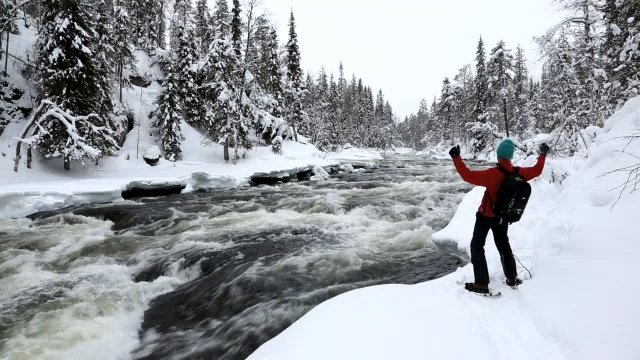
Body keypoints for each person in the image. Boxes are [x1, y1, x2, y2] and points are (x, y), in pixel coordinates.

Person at [449, 139, 550, 294]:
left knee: (477, 246)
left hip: (485, 216)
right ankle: (511, 278)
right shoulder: (519, 173)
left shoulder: (492, 174)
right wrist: (543, 154)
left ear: (498, 156)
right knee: (503, 244)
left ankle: (481, 283)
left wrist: (456, 158)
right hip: (503, 217)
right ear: (510, 156)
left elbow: (468, 176)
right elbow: (536, 170)